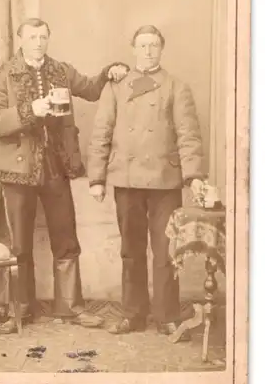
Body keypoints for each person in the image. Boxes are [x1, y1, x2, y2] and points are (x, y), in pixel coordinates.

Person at [0, 17, 129, 334]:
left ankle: (71, 308)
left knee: (66, 238)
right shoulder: (2, 76)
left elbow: (90, 89)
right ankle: (20, 311)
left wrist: (109, 72)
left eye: (43, 37)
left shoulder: (60, 70)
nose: (38, 42)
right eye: (32, 37)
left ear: (48, 39)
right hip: (17, 169)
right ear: (21, 40)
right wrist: (29, 111)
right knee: (19, 244)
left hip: (55, 166)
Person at [88, 24, 206, 338]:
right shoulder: (116, 87)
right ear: (133, 49)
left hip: (165, 182)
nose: (148, 51)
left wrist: (194, 176)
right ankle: (133, 314)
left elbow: (189, 136)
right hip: (126, 179)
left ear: (161, 49)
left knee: (167, 251)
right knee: (131, 250)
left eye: (154, 45)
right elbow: (101, 132)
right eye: (142, 45)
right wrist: (97, 178)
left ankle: (167, 315)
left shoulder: (176, 87)